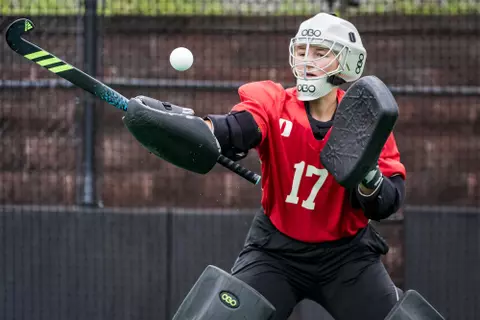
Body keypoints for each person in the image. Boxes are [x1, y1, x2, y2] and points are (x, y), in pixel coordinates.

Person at [134, 12, 407, 320]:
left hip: (347, 258)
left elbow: (387, 201)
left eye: (320, 53)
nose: (306, 60)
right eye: (302, 51)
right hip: (275, 251)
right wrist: (203, 129)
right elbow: (238, 127)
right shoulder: (272, 101)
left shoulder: (368, 122)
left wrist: (368, 177)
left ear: (348, 63)